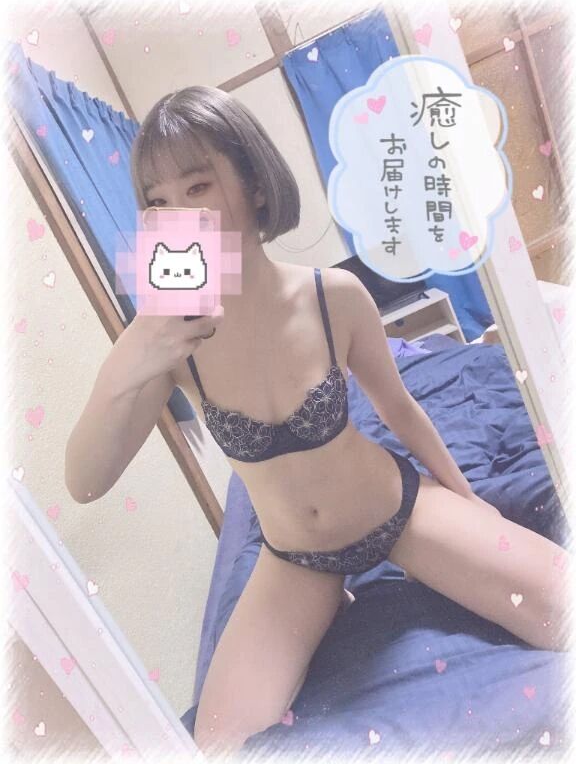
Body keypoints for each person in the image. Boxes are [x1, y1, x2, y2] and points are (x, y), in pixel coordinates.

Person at [116, 86, 574, 759]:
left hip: (393, 509)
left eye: (198, 186)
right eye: (158, 202)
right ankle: (331, 600)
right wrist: (126, 359)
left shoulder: (334, 295)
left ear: (255, 185)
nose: (180, 214)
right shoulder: (172, 343)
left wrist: (469, 498)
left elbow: (399, 408)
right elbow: (85, 477)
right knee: (215, 747)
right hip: (294, 558)